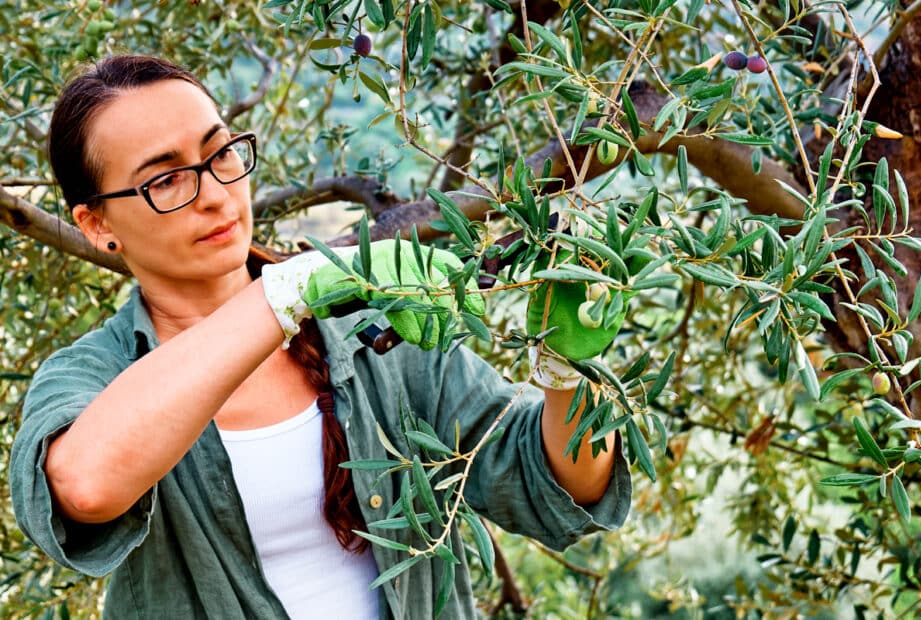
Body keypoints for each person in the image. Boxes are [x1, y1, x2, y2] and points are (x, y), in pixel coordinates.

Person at [10, 55, 632, 619]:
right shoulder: (92, 376)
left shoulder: (373, 333)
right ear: (96, 225)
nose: (216, 193)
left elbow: (554, 486)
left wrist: (570, 367)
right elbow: (86, 487)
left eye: (220, 152)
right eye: (165, 179)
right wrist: (288, 289)